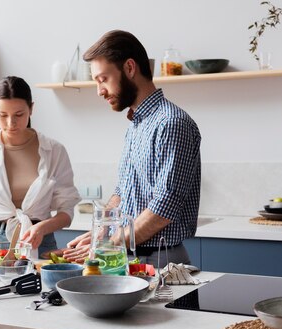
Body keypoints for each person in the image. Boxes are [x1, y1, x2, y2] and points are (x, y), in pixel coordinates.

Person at [63, 30, 201, 268]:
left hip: (160, 260)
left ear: (129, 68)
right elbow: (123, 190)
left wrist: (109, 243)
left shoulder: (171, 123)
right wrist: (102, 232)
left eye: (103, 79)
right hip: (129, 256)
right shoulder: (137, 124)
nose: (99, 91)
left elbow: (163, 208)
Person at [0, 76, 80, 257]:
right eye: (3, 115)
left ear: (31, 109)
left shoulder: (54, 151)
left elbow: (66, 211)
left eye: (19, 115)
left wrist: (43, 227)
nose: (11, 123)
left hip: (39, 239)